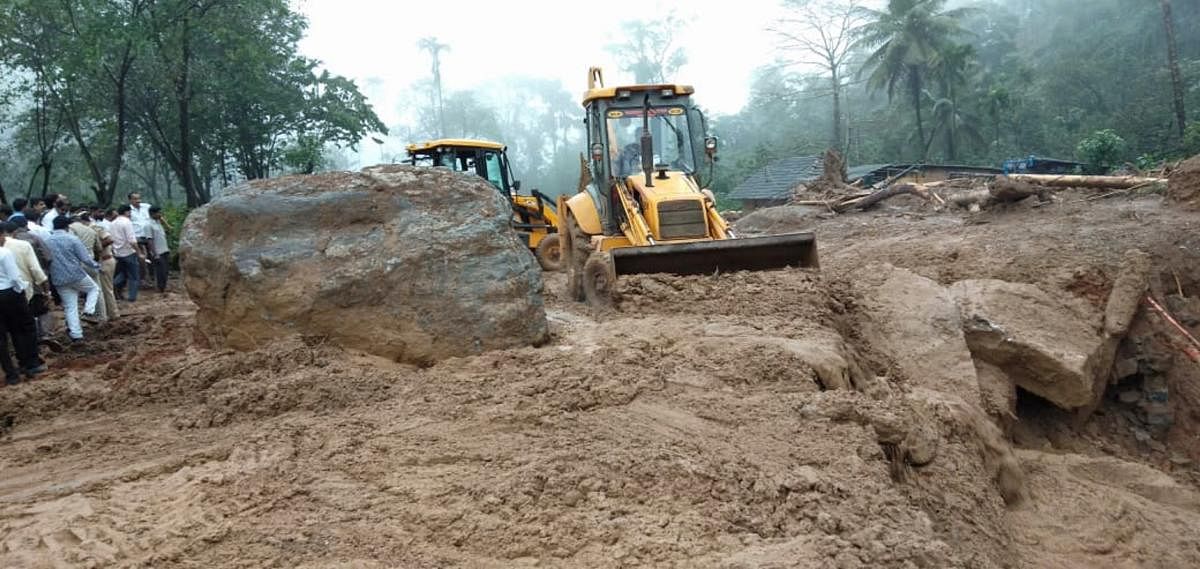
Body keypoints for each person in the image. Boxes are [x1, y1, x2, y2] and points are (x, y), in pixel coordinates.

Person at [45, 216, 100, 342]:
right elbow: (85, 258)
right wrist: (97, 265)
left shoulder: (47, 241)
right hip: (75, 274)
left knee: (70, 306)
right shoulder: (72, 239)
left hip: (58, 278)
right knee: (94, 289)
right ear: (67, 226)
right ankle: (88, 311)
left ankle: (76, 335)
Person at [0, 233, 45, 385]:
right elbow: (14, 277)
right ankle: (29, 364)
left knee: (1, 338)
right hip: (9, 293)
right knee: (24, 328)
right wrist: (21, 290)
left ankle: (11, 374)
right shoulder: (4, 252)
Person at [110, 205, 143, 301]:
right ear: (127, 212)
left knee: (123, 273)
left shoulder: (112, 223)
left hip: (117, 252)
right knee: (134, 276)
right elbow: (132, 240)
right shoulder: (127, 222)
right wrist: (139, 252)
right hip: (128, 252)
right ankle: (132, 297)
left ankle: (113, 284)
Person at [147, 206, 171, 293]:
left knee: (166, 270)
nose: (160, 215)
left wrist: (164, 222)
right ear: (152, 213)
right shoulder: (148, 225)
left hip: (165, 249)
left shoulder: (159, 223)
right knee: (161, 271)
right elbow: (150, 240)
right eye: (158, 213)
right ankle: (160, 288)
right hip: (158, 251)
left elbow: (169, 230)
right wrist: (154, 253)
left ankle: (163, 287)